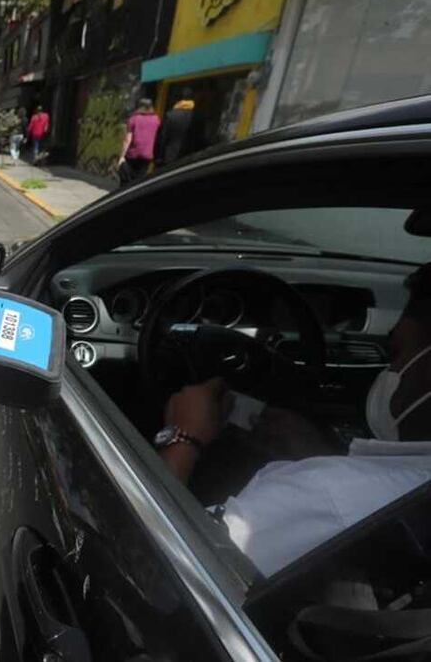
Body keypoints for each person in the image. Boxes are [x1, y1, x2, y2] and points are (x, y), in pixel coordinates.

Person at [158, 263, 431, 577]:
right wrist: (319, 456)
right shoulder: (384, 487)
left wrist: (182, 436)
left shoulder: (326, 492)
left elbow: (167, 565)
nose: (389, 370)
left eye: (395, 355)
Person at [117, 98, 160, 185]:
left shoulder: (134, 119)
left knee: (126, 180)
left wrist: (122, 156)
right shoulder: (156, 120)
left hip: (133, 154)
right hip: (147, 155)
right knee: (139, 180)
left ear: (139, 107)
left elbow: (127, 139)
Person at [155, 88, 197, 166]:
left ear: (179, 100)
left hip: (170, 155)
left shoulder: (170, 115)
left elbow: (163, 137)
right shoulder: (197, 116)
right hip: (190, 156)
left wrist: (159, 156)